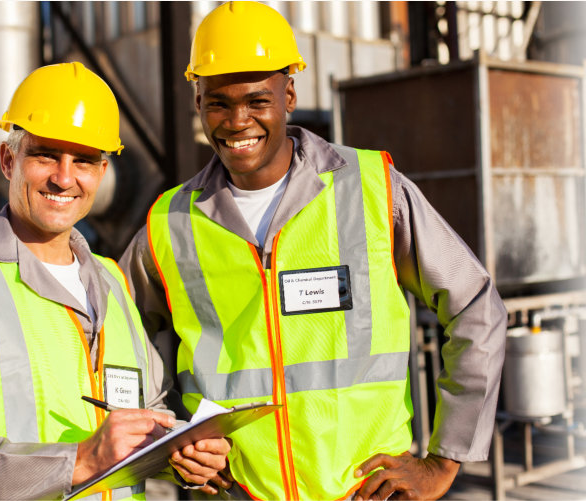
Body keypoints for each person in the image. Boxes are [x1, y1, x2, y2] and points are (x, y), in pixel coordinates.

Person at [118, 3, 508, 500]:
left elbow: (476, 307)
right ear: (197, 102)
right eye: (217, 103)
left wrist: (445, 460)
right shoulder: (168, 223)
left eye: (257, 100)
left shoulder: (370, 190)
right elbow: (124, 348)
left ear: (289, 95)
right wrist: (173, 441)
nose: (238, 122)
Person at [0, 62, 230, 501]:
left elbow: (149, 409)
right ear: (9, 160)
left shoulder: (113, 282)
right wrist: (78, 460)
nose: (64, 178)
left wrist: (181, 451)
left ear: (102, 174)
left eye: (84, 161)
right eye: (46, 154)